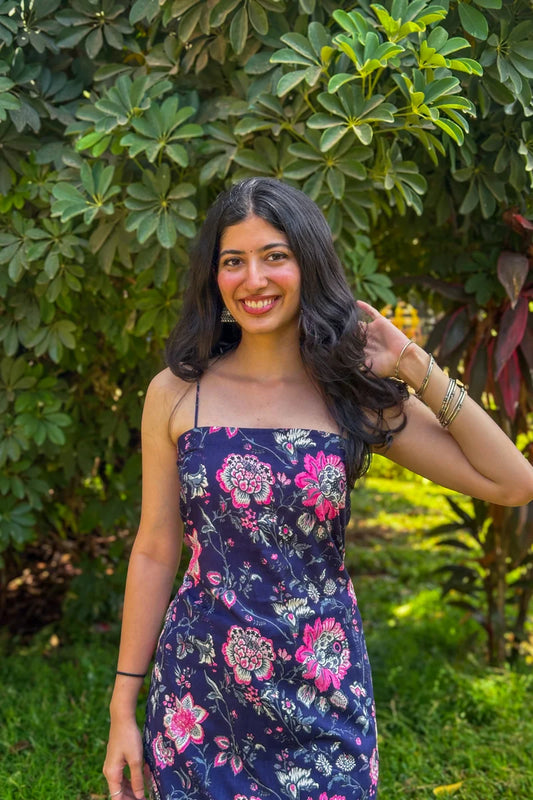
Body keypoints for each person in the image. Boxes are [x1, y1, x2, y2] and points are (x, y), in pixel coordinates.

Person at [103, 177, 533, 800]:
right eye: (233, 261)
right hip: (200, 696)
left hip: (322, 690)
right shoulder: (176, 393)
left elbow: (513, 482)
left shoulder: (349, 393)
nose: (254, 278)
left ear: (307, 264)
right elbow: (154, 550)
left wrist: (415, 364)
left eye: (274, 255)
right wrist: (123, 705)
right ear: (214, 278)